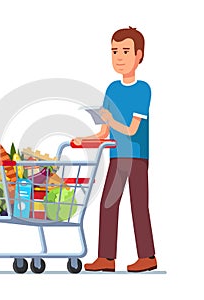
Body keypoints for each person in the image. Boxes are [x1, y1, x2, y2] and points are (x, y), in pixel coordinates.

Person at [73, 26, 156, 272]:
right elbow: (103, 133)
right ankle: (106, 259)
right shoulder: (112, 89)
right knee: (108, 204)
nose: (119, 57)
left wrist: (110, 119)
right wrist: (83, 140)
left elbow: (131, 130)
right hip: (117, 155)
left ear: (139, 55)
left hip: (137, 155)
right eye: (114, 51)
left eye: (125, 51)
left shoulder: (143, 89)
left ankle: (148, 257)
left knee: (138, 205)